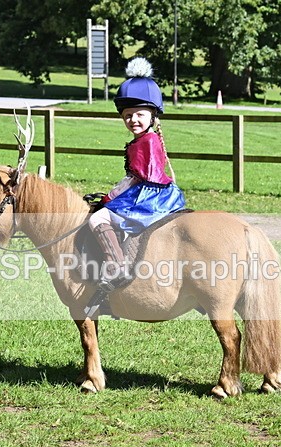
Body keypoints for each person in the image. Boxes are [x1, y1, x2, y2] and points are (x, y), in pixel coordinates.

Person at [87, 57, 186, 289]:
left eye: (140, 114)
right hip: (150, 191)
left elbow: (138, 179)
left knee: (98, 217)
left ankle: (116, 265)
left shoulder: (147, 141)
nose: (133, 120)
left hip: (147, 196)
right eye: (128, 115)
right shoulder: (146, 139)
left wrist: (109, 198)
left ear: (153, 116)